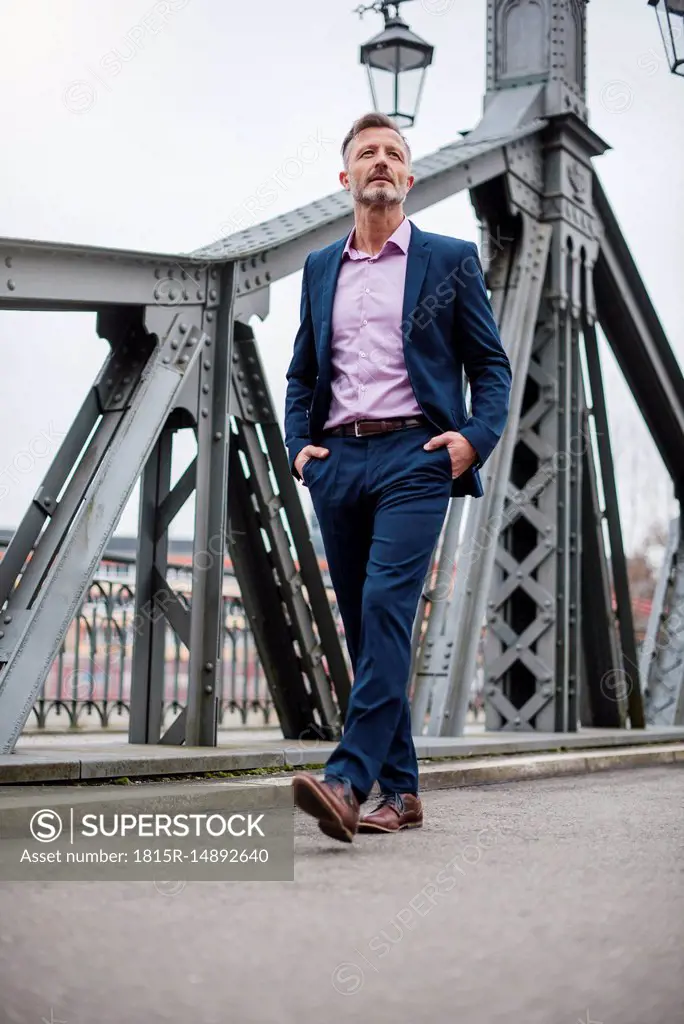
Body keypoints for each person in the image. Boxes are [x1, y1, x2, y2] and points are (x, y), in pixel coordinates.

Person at [284, 112, 512, 843]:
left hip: (416, 459)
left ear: (409, 178)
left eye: (393, 154)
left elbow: (492, 367)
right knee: (364, 626)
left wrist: (472, 441)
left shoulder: (449, 260)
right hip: (338, 464)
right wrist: (298, 448)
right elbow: (301, 373)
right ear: (345, 176)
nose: (380, 163)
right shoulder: (322, 267)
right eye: (366, 154)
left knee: (386, 606)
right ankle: (404, 791)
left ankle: (349, 780)